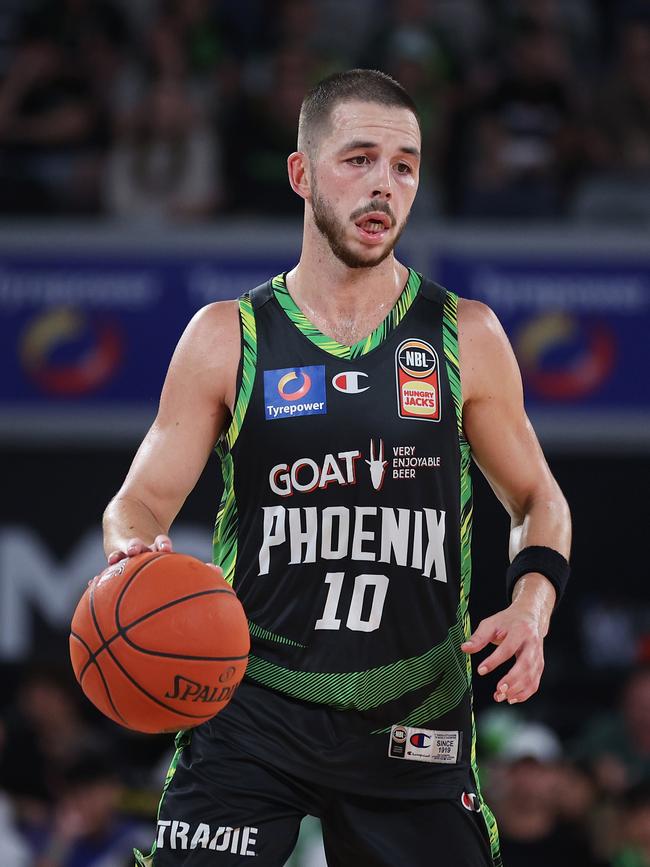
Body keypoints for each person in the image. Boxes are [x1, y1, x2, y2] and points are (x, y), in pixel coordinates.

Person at [102, 68, 571, 866]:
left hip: (414, 714)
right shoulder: (229, 336)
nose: (384, 185)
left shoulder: (467, 335)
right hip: (254, 707)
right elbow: (137, 502)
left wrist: (531, 608)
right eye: (358, 159)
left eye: (405, 165)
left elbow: (537, 499)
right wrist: (136, 556)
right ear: (301, 173)